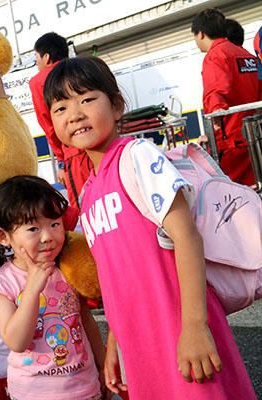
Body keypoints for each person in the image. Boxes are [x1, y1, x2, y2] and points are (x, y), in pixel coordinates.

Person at [43, 55, 256, 399]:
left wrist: (195, 326)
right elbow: (113, 279)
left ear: (116, 106)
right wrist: (115, 342)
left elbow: (186, 235)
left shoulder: (137, 156)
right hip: (140, 346)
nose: (75, 113)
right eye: (61, 107)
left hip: (181, 331)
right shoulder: (89, 190)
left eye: (86, 99)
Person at [0, 175, 105, 400]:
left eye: (55, 224)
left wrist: (103, 367)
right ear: (3, 236)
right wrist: (33, 288)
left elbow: (86, 321)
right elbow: (17, 342)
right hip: (32, 393)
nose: (47, 237)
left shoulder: (67, 267)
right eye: (33, 229)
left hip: (85, 388)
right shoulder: (1, 285)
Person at [191, 8, 262, 186]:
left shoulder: (215, 56)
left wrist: (214, 122)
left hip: (231, 144)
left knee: (233, 199)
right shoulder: (247, 56)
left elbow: (216, 94)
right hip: (254, 138)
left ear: (200, 34)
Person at [29, 32, 92, 208]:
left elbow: (49, 125)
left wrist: (61, 161)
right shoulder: (85, 67)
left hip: (74, 151)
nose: (36, 63)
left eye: (36, 57)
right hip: (102, 144)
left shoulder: (39, 81)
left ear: (46, 57)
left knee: (84, 206)